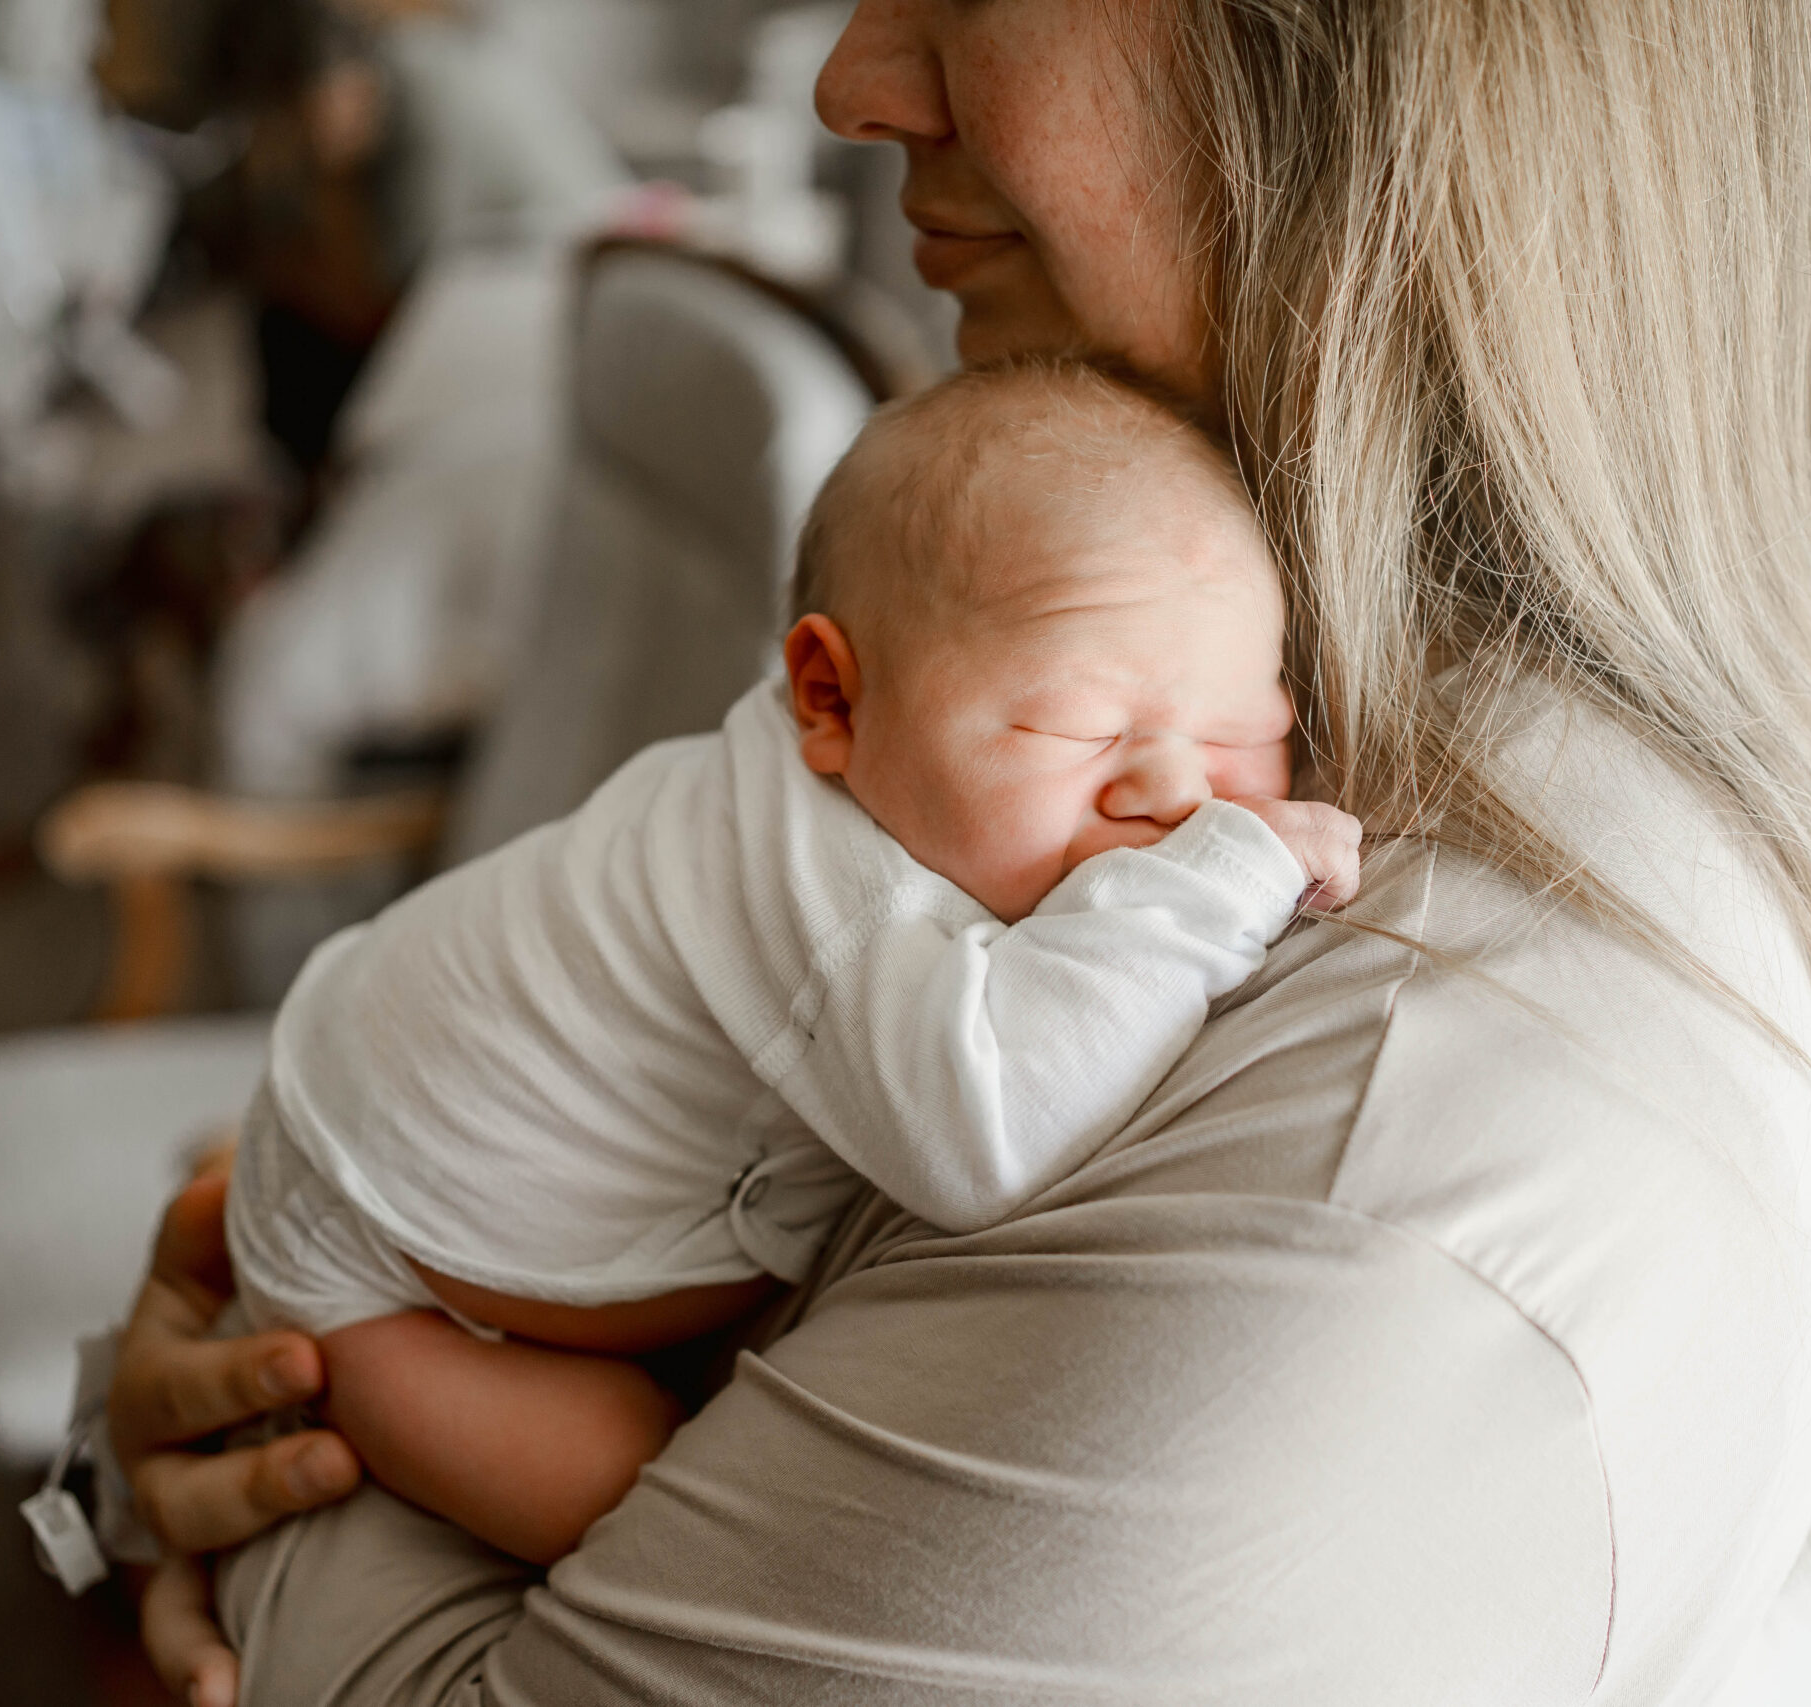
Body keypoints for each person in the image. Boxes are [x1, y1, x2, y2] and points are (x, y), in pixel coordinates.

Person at [107, 0, 1811, 1701]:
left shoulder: (1379, 1186)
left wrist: (280, 1464)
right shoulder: (1116, 667)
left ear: (1371, 74)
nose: (850, 82)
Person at [223, 362, 1361, 1570]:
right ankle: (292, 1429)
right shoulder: (826, 886)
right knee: (630, 1507)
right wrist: (1219, 886)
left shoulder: (924, 808)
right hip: (359, 1233)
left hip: (401, 1095)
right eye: (1079, 730)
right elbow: (990, 1134)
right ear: (830, 699)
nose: (1179, 797)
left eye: (1247, 737)